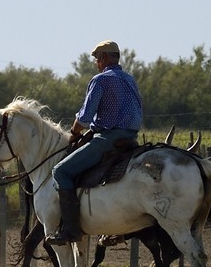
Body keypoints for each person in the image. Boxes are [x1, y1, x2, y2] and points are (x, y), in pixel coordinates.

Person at [45, 39, 143, 245]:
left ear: (105, 58)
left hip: (108, 139)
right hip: (131, 139)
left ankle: (71, 230)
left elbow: (84, 118)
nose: (96, 63)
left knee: (60, 172)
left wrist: (73, 132)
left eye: (97, 58)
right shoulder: (129, 79)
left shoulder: (100, 80)